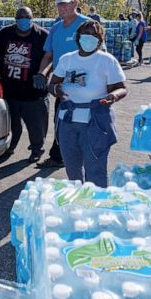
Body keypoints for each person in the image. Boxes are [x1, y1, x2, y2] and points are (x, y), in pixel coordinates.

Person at [48, 20, 127, 187]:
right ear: (78, 37)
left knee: (95, 168)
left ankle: (97, 202)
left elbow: (121, 88)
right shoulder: (67, 59)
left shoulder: (106, 60)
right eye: (86, 34)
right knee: (72, 167)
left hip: (95, 121)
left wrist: (112, 96)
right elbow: (52, 83)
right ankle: (78, 201)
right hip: (68, 120)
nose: (89, 38)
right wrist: (57, 90)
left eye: (94, 35)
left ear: (100, 39)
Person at [35, 0, 90, 169]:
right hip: (61, 85)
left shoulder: (87, 25)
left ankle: (79, 156)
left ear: (75, 3)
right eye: (59, 4)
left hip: (85, 86)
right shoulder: (56, 28)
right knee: (60, 121)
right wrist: (42, 73)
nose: (62, 8)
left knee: (82, 122)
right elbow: (48, 55)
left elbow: (99, 54)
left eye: (65, 4)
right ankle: (59, 157)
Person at [0, 7, 50, 163]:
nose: (24, 20)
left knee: (36, 126)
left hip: (34, 92)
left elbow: (51, 57)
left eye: (27, 17)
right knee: (12, 124)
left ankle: (37, 149)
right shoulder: (5, 33)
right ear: (15, 19)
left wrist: (44, 73)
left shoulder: (42, 36)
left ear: (32, 18)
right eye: (20, 17)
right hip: (9, 91)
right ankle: (11, 146)